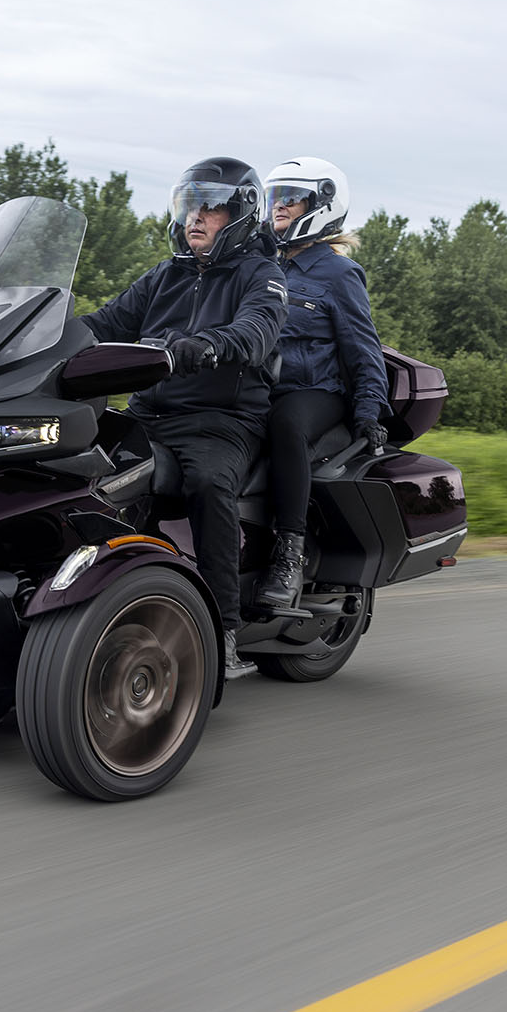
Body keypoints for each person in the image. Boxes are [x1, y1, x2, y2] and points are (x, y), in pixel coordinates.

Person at [78, 157, 287, 679]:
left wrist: (208, 346)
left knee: (209, 484)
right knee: (83, 469)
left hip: (221, 421)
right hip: (149, 413)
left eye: (211, 208)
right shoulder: (162, 277)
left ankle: (223, 632)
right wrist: (30, 338)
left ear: (239, 215)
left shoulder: (263, 275)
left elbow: (257, 331)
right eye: (191, 205)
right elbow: (101, 324)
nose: (196, 217)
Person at [254, 157, 390, 612]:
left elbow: (363, 348)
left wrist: (369, 411)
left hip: (316, 392)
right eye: (275, 199)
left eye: (291, 199)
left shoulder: (338, 273)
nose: (279, 209)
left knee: (285, 424)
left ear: (322, 206)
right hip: (260, 387)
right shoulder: (261, 266)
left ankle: (288, 552)